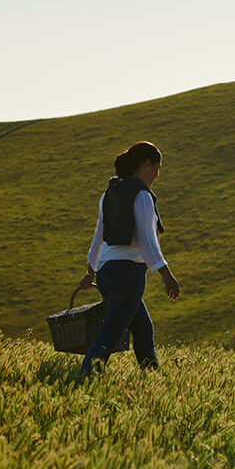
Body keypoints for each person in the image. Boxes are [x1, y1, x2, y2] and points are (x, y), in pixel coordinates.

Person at [78, 141, 180, 376]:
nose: (157, 174)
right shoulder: (142, 195)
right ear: (146, 165)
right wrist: (166, 274)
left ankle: (152, 376)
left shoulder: (110, 193)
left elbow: (99, 235)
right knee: (111, 331)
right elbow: (147, 241)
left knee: (143, 328)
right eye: (157, 168)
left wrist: (91, 270)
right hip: (129, 274)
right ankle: (86, 375)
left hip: (106, 273)